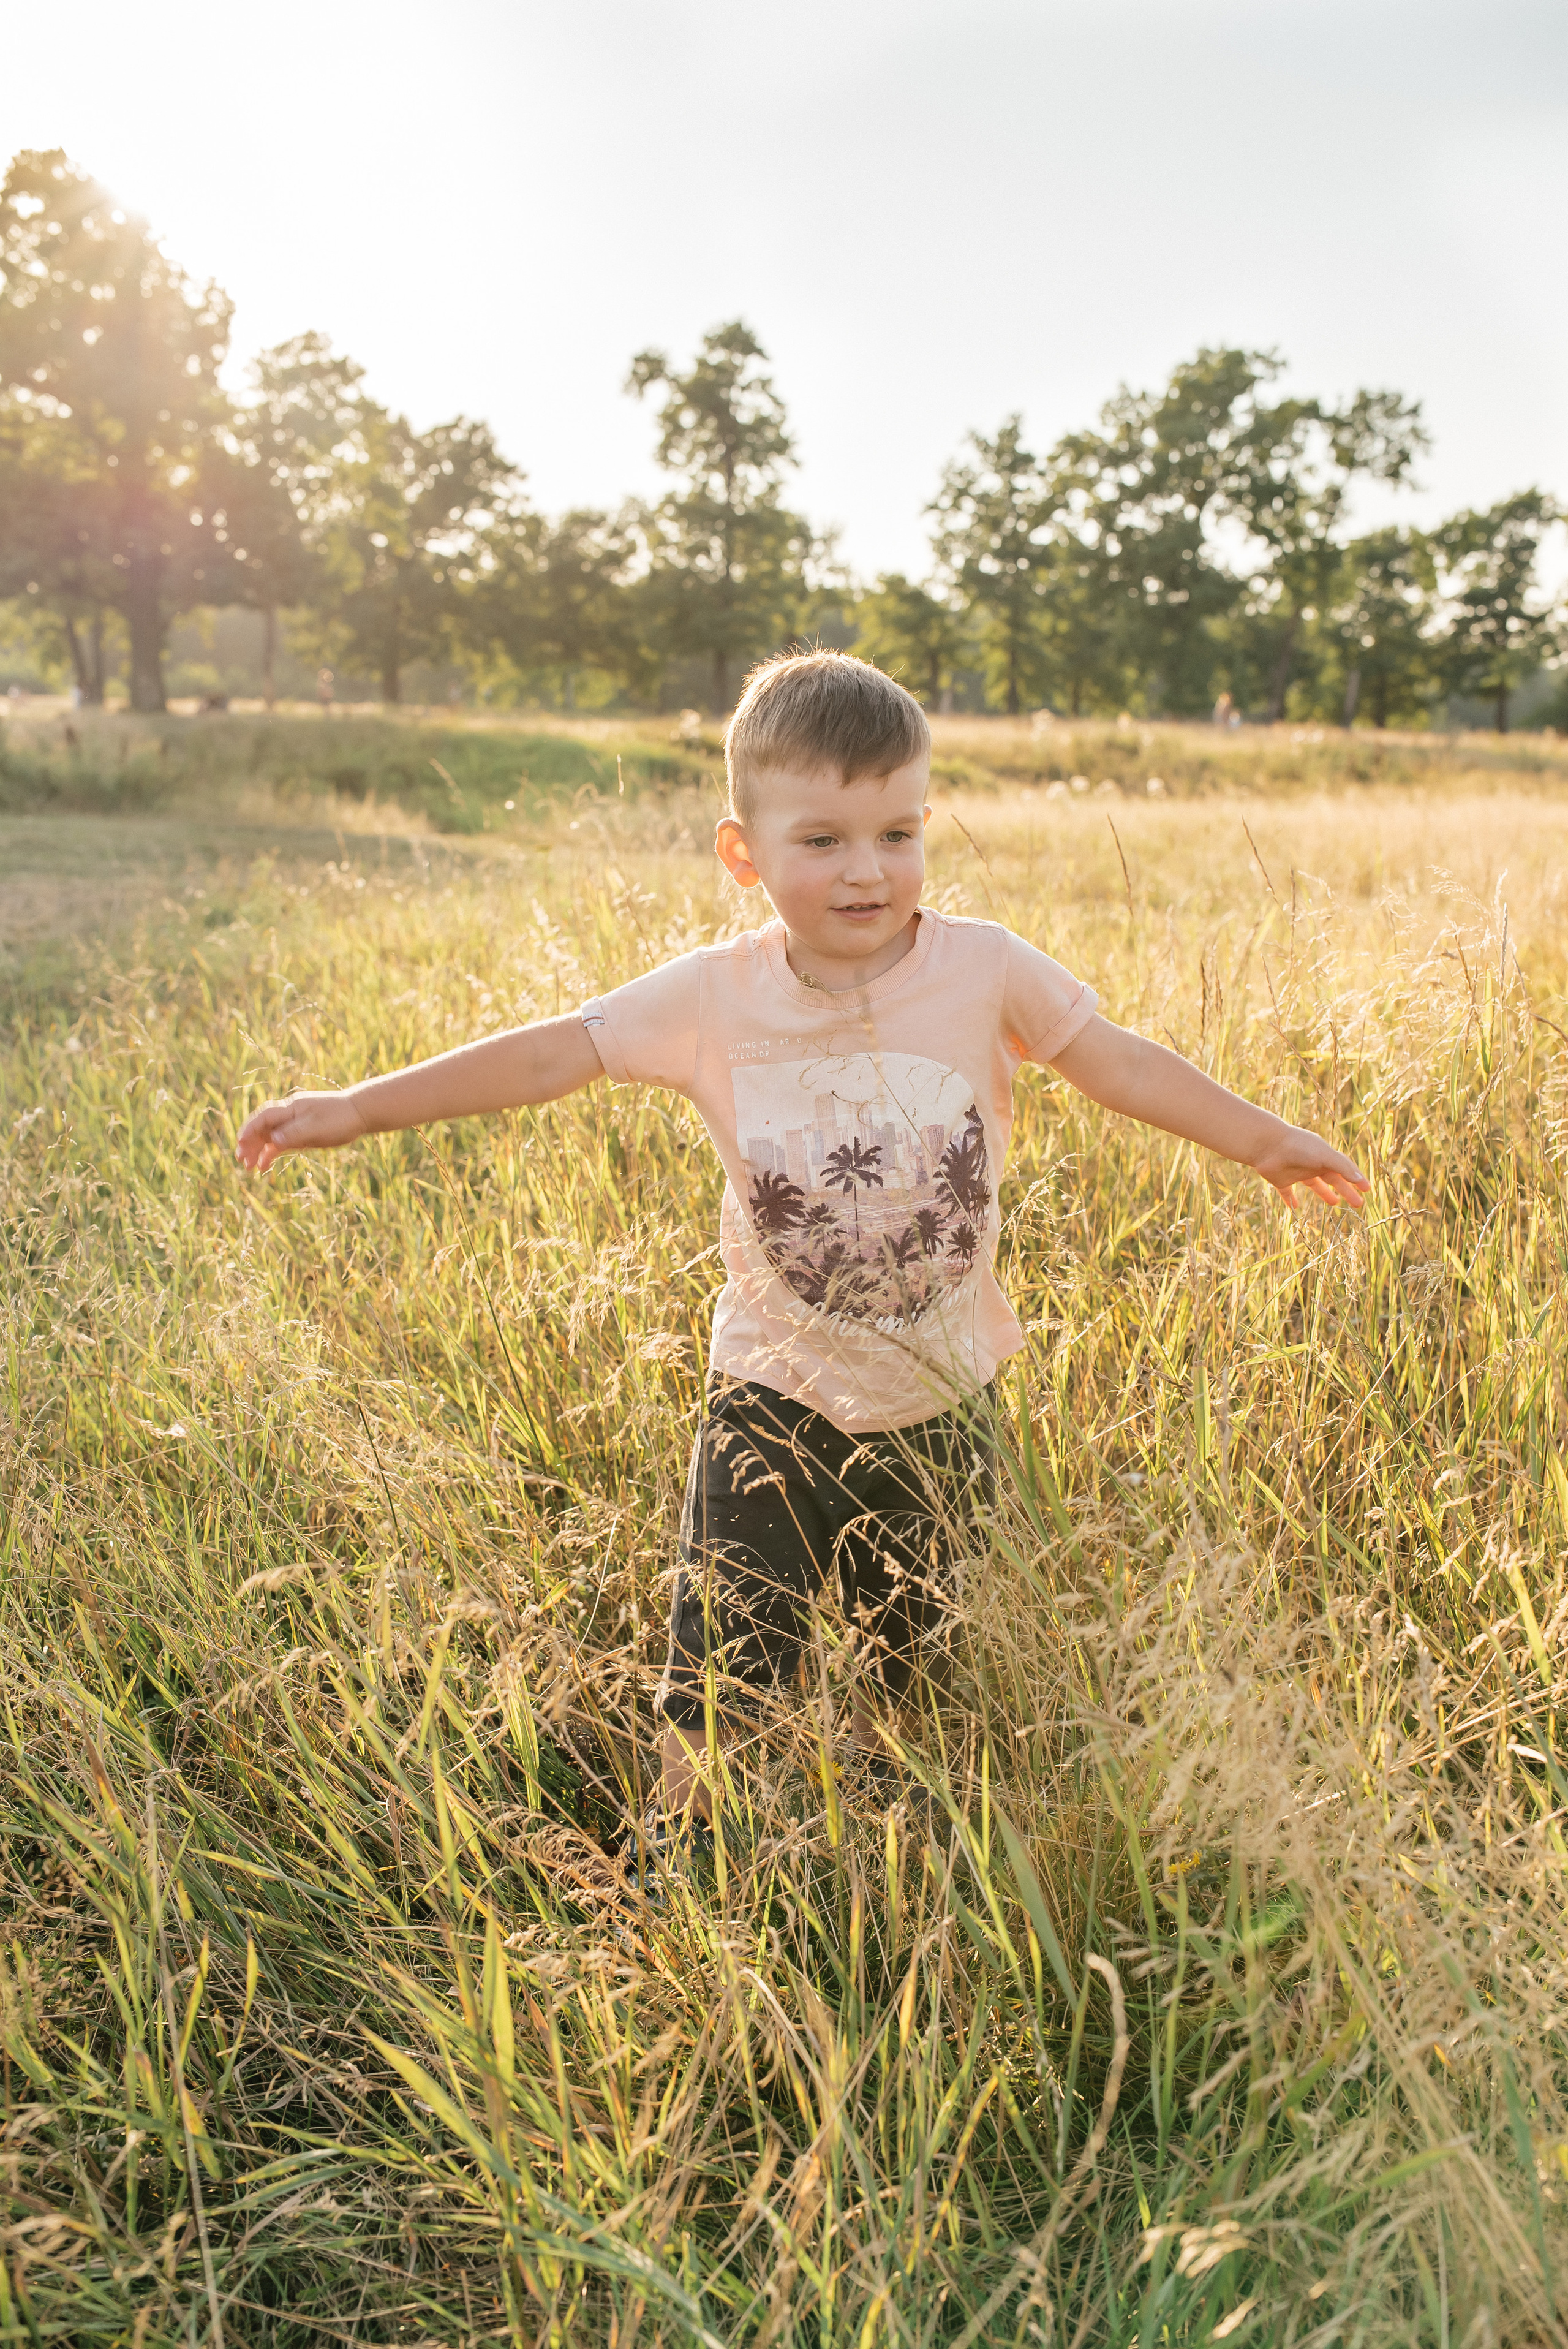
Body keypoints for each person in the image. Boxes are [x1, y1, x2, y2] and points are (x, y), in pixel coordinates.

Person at [235, 651, 1366, 1866]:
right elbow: (551, 1052)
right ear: (745, 854)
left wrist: (1263, 1140)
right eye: (822, 840)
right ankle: (682, 1862)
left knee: (917, 1662)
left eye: (897, 832)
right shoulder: (711, 997)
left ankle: (897, 1840)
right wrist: (358, 1106)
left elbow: (1120, 1061)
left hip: (943, 1398)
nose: (867, 870)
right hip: (769, 1396)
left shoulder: (985, 967)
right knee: (718, 1666)